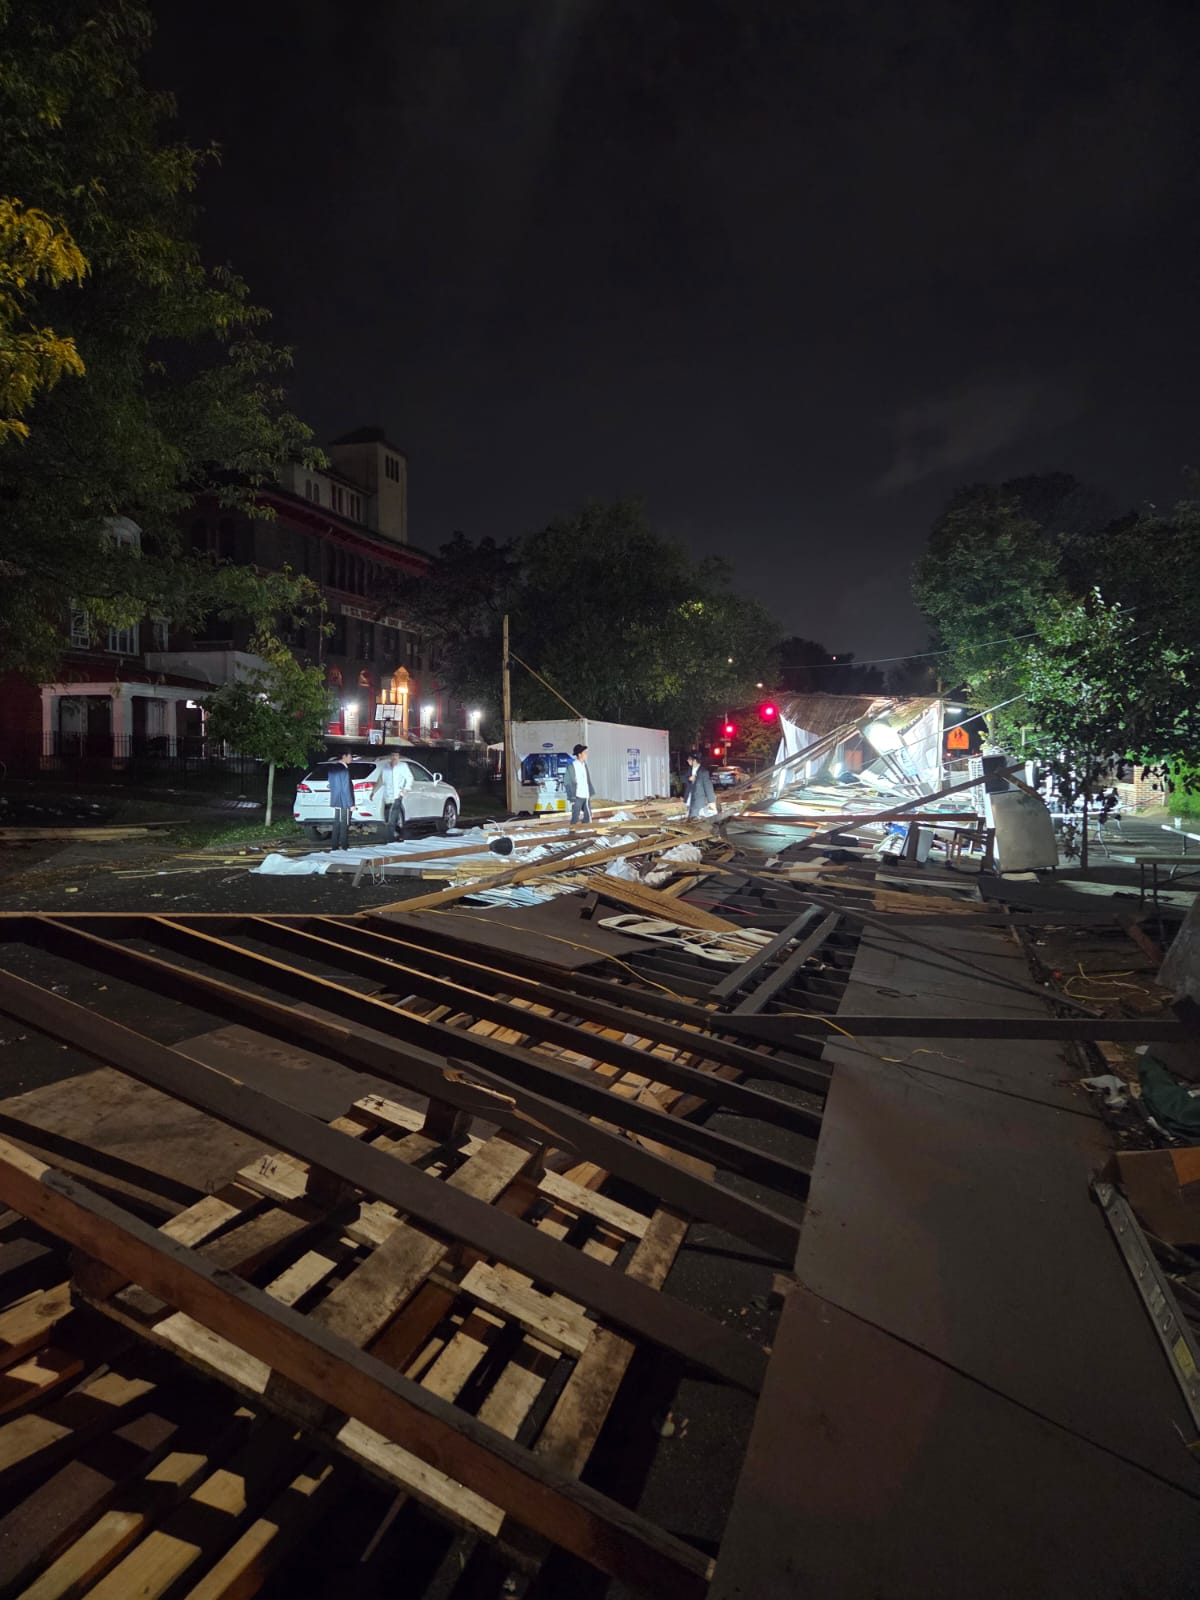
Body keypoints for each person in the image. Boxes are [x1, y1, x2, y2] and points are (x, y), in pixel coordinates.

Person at [372, 751, 413, 841]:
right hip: (387, 796)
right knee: (387, 817)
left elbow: (410, 778)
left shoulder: (403, 766)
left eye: (396, 756)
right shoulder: (386, 766)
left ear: (399, 757)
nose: (394, 757)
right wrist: (373, 791)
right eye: (393, 755)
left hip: (397, 795)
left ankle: (390, 838)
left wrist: (405, 790)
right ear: (390, 756)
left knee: (393, 816)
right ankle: (397, 834)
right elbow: (381, 780)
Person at [327, 750, 354, 850]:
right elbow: (346, 789)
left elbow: (331, 785)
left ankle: (334, 845)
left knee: (336, 822)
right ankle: (344, 845)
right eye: (350, 756)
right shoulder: (344, 770)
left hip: (335, 799)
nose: (351, 758)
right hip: (343, 801)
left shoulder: (332, 769)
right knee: (344, 823)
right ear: (344, 756)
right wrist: (351, 804)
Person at [564, 742, 594, 825]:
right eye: (585, 752)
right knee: (575, 816)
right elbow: (567, 782)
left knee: (588, 816)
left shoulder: (584, 765)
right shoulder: (572, 766)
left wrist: (589, 791)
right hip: (577, 796)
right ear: (579, 754)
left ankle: (586, 832)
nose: (586, 754)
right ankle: (572, 832)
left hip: (586, 795)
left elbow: (587, 780)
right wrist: (571, 797)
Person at [684, 752, 716, 820]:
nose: (687, 761)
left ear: (695, 761)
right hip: (689, 800)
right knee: (689, 819)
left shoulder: (703, 772)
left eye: (689, 759)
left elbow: (708, 788)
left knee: (695, 819)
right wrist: (689, 779)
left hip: (698, 801)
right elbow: (683, 779)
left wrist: (711, 802)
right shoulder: (689, 770)